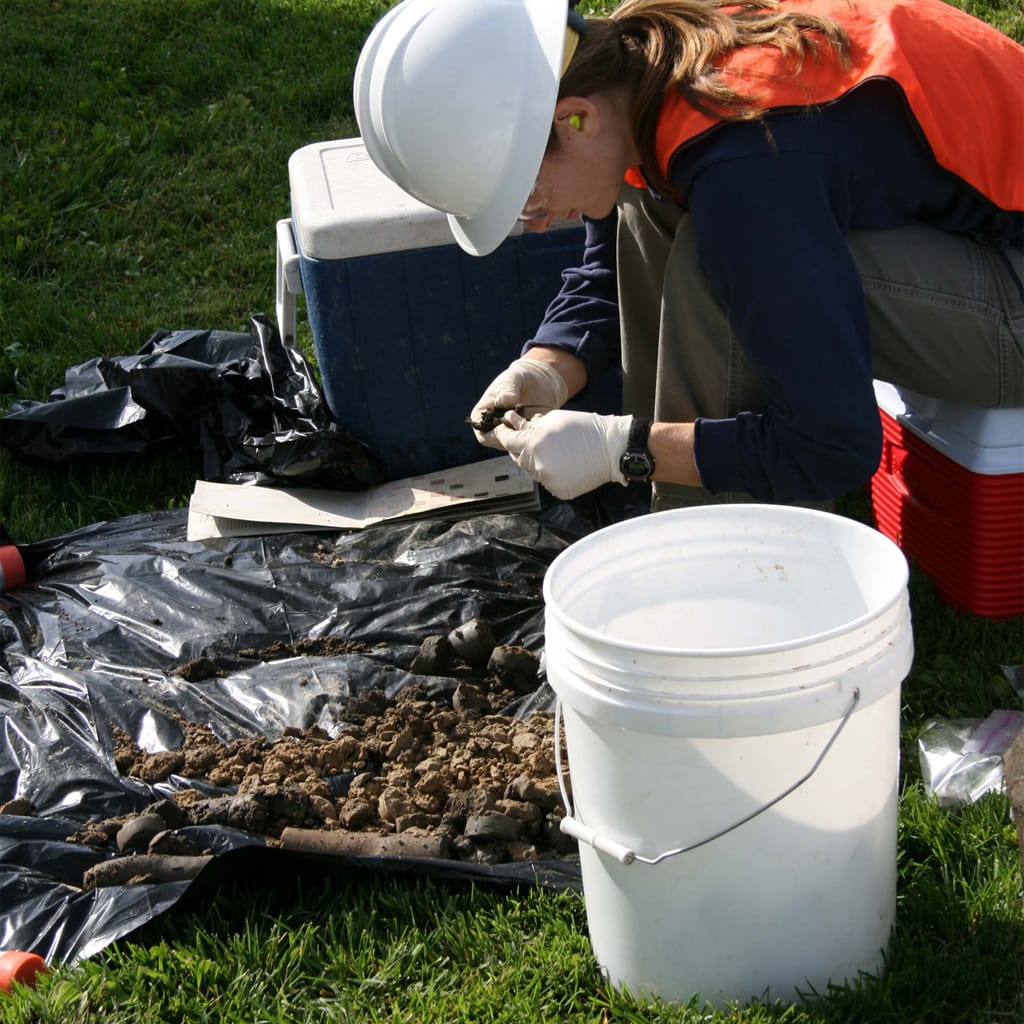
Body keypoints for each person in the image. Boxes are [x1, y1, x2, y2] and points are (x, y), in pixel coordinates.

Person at [354, 0, 1024, 508]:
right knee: (652, 208)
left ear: (575, 119)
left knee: (713, 249)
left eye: (524, 198)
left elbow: (834, 446)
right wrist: (548, 366)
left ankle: (716, 580)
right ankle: (682, 519)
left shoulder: (747, 164)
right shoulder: (642, 57)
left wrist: (625, 451)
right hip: (971, 237)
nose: (532, 225)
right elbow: (615, 247)